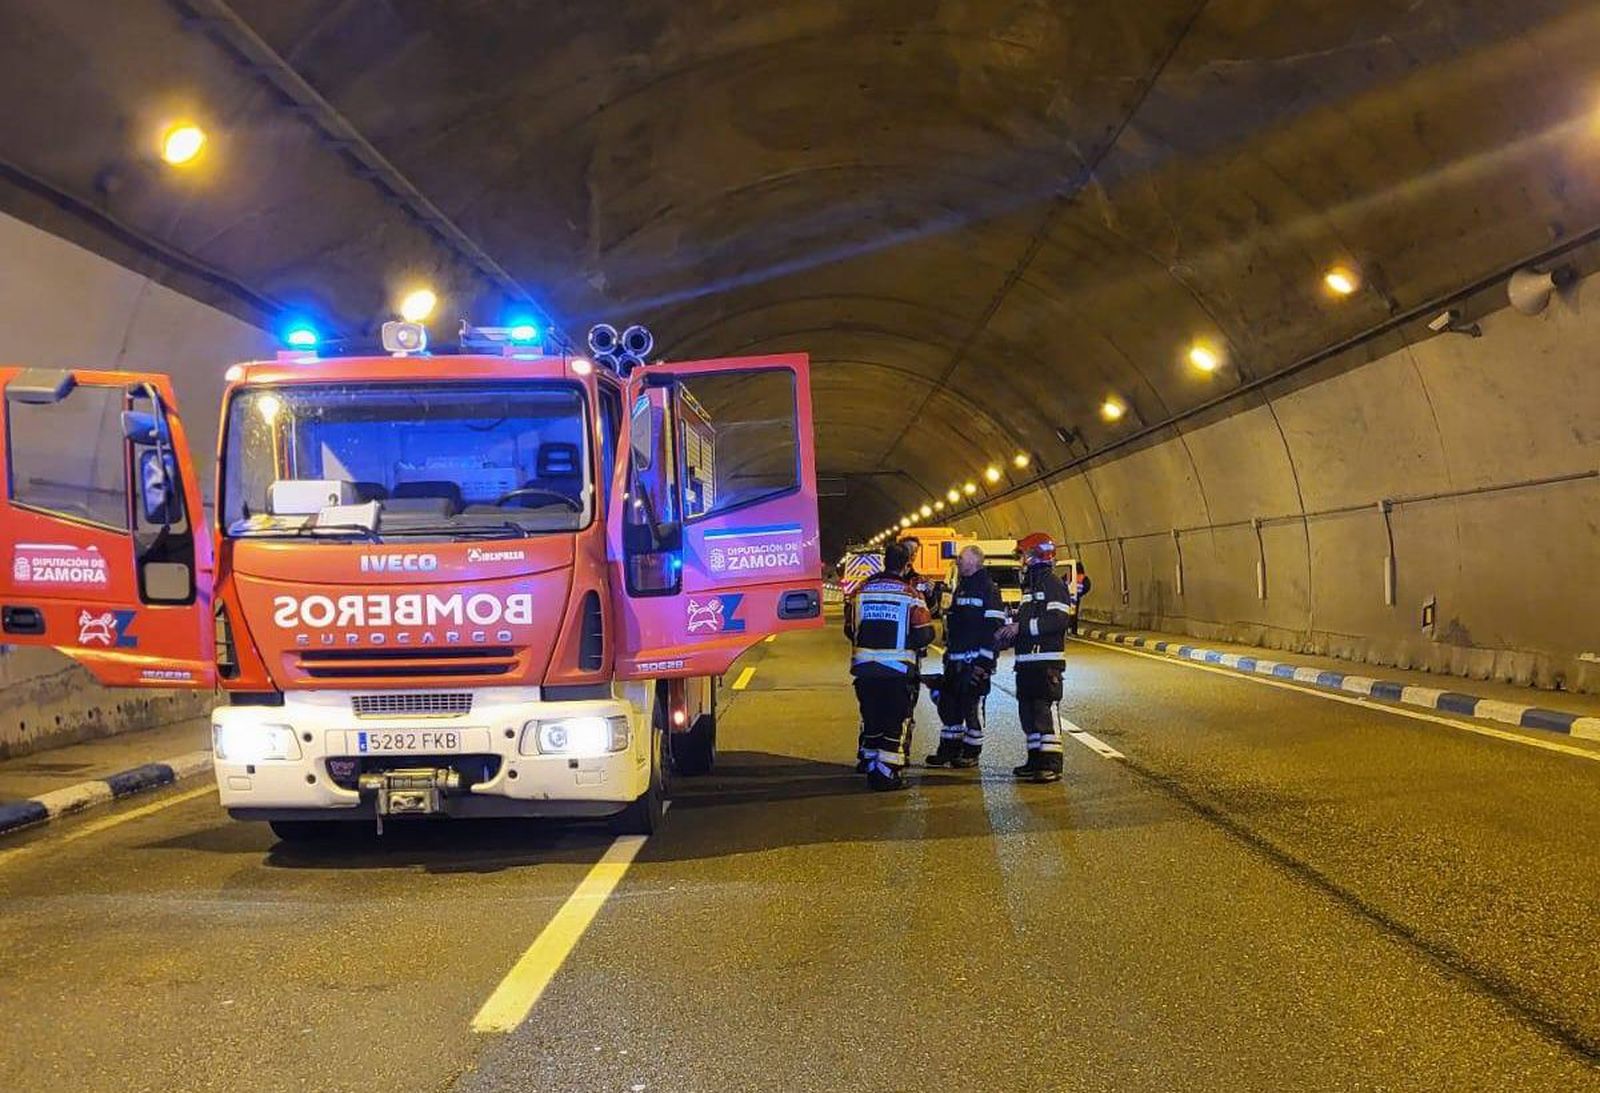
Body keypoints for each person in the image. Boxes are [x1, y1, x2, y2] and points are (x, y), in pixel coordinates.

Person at [845, 540, 934, 790]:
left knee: (871, 717)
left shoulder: (861, 591)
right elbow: (925, 633)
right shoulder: (910, 594)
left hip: (864, 669)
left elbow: (850, 628)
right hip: (897, 670)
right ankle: (885, 773)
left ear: (885, 561)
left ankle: (870, 764)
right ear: (906, 565)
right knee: (895, 720)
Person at [994, 533, 1071, 783]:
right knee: (1028, 713)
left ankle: (1051, 763)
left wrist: (1021, 628)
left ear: (1034, 555)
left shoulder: (1052, 585)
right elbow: (1028, 622)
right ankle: (1035, 760)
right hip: (1027, 662)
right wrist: (1011, 632)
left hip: (1046, 662)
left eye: (1022, 556)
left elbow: (1058, 620)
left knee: (1043, 710)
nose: (1020, 562)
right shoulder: (1031, 586)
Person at [927, 545, 1005, 768]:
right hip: (955, 661)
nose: (957, 562)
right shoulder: (962, 587)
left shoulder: (988, 589)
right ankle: (948, 750)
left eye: (961, 558)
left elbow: (994, 630)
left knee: (970, 710)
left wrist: (983, 664)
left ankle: (971, 752)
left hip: (973, 664)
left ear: (974, 562)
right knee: (949, 708)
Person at [1066, 562, 1092, 636]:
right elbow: (1087, 586)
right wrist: (1080, 593)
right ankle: (1073, 631)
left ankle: (1068, 629)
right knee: (1074, 614)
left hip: (1067, 597)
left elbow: (1061, 583)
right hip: (1075, 598)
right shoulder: (1083, 578)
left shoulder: (1068, 576)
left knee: (1066, 614)